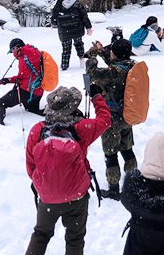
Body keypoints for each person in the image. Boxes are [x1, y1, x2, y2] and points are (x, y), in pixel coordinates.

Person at [24, 86, 111, 255]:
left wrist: (44, 184)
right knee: (75, 238)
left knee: (40, 234)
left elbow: (30, 166)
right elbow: (105, 120)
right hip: (77, 195)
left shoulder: (38, 129)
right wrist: (96, 97)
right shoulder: (82, 127)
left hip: (47, 197)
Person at [87, 39, 140, 200]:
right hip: (128, 115)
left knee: (110, 153)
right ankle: (133, 180)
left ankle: (114, 188)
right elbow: (115, 64)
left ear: (115, 53)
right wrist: (103, 50)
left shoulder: (114, 72)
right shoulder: (132, 65)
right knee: (127, 148)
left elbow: (92, 73)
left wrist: (92, 56)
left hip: (112, 117)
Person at [0, 38, 45, 125]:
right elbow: (22, 77)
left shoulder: (29, 53)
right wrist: (7, 80)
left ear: (17, 48)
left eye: (12, 51)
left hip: (27, 91)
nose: (13, 54)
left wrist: (22, 49)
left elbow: (36, 55)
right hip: (36, 92)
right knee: (31, 109)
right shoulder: (23, 57)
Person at [51, 0, 93, 71]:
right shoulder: (77, 4)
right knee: (79, 44)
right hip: (77, 29)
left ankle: (64, 66)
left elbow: (54, 20)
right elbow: (84, 17)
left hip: (64, 31)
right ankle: (82, 61)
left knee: (66, 49)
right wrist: (88, 27)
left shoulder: (59, 4)